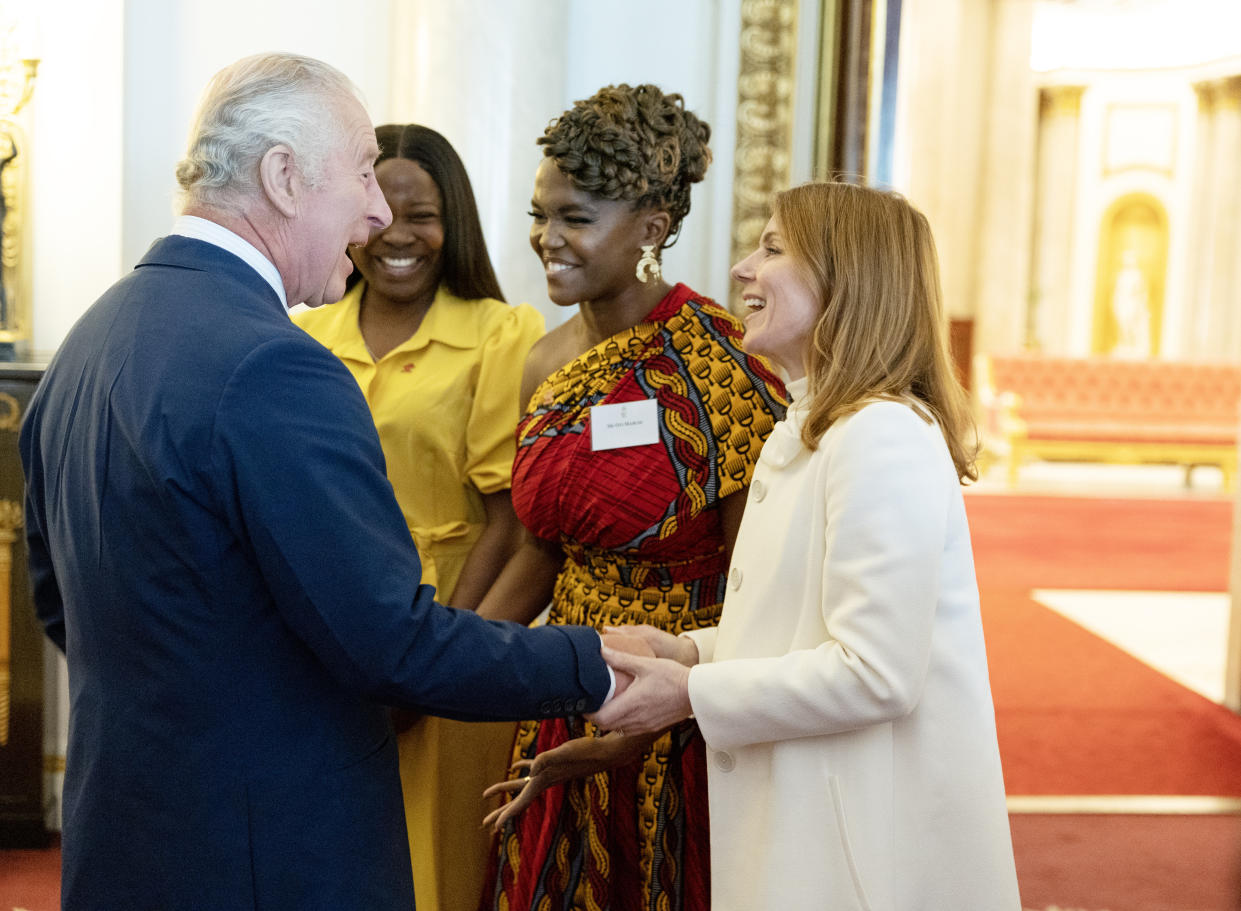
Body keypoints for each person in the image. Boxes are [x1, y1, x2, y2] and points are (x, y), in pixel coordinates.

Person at [18, 53, 623, 911]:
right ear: (283, 176)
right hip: (269, 851)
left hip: (126, 830)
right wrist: (596, 661)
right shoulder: (275, 365)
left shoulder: (90, 336)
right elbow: (390, 644)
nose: (376, 210)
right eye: (363, 172)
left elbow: (60, 604)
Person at [591, 182, 1024, 910]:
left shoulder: (880, 434)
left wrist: (690, 693)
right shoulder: (815, 424)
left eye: (770, 248)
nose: (739, 270)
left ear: (844, 278)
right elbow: (803, 623)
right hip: (809, 811)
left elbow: (875, 672)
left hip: (858, 845)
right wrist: (691, 651)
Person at [475, 84, 787, 911]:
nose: (547, 238)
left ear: (651, 228)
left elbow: (757, 582)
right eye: (539, 213)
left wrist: (668, 705)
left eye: (574, 217)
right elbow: (539, 549)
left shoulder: (725, 365)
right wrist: (451, 659)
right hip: (568, 682)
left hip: (679, 707)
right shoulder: (543, 362)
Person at [293, 123, 539, 911]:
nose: (397, 234)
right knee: (332, 853)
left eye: (422, 214)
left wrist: (427, 662)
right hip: (325, 633)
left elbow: (508, 523)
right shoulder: (302, 334)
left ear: (454, 221)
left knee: (437, 865)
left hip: (454, 622)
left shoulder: (503, 334)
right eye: (379, 208)